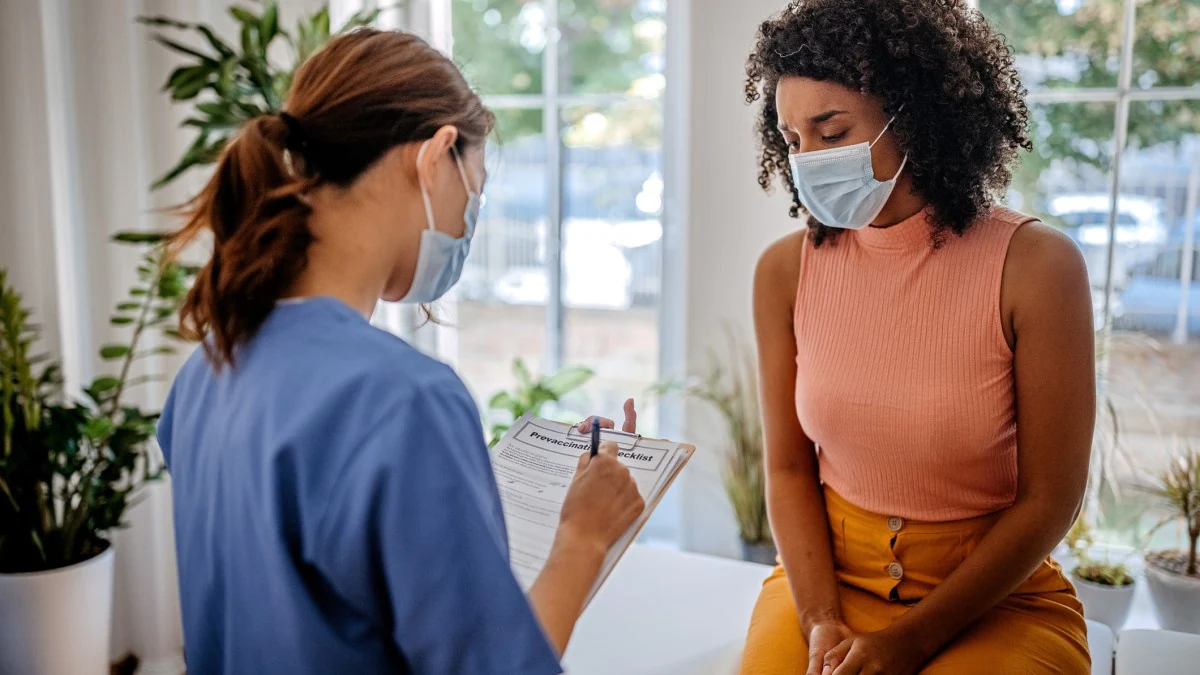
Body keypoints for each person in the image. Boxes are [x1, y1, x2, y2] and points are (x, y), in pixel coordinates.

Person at [157, 28, 644, 674]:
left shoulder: (206, 371)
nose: (469, 217)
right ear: (437, 155)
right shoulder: (404, 399)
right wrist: (583, 538)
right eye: (476, 186)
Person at [739, 1, 1096, 674]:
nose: (807, 160)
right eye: (792, 140)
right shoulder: (783, 272)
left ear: (919, 117)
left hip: (994, 597)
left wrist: (909, 642)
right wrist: (819, 622)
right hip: (828, 586)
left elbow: (1052, 497)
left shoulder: (1038, 266)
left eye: (831, 130)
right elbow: (788, 469)